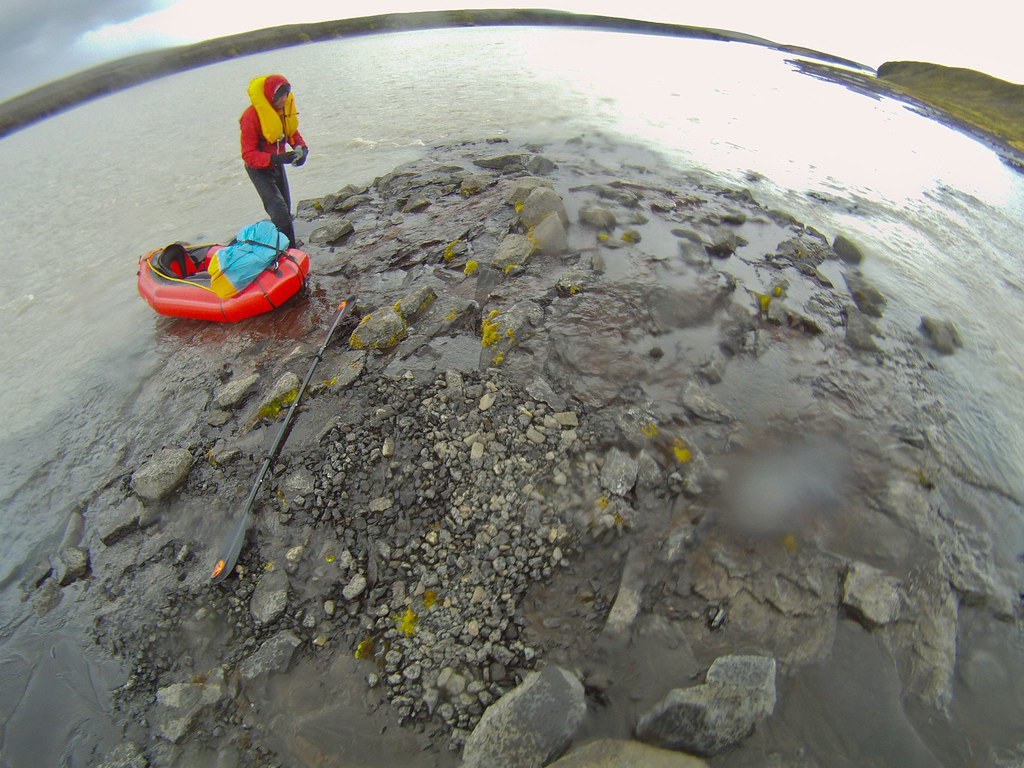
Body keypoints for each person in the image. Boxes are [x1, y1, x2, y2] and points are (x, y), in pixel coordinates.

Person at [239, 74, 309, 248]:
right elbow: (248, 154)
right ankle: (289, 252)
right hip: (258, 169)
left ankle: (287, 249)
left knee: (286, 208)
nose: (285, 99)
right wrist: (276, 158)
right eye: (281, 95)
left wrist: (302, 150)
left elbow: (292, 134)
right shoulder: (251, 116)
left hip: (277, 164)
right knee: (279, 212)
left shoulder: (283, 111)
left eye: (287, 95)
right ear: (271, 95)